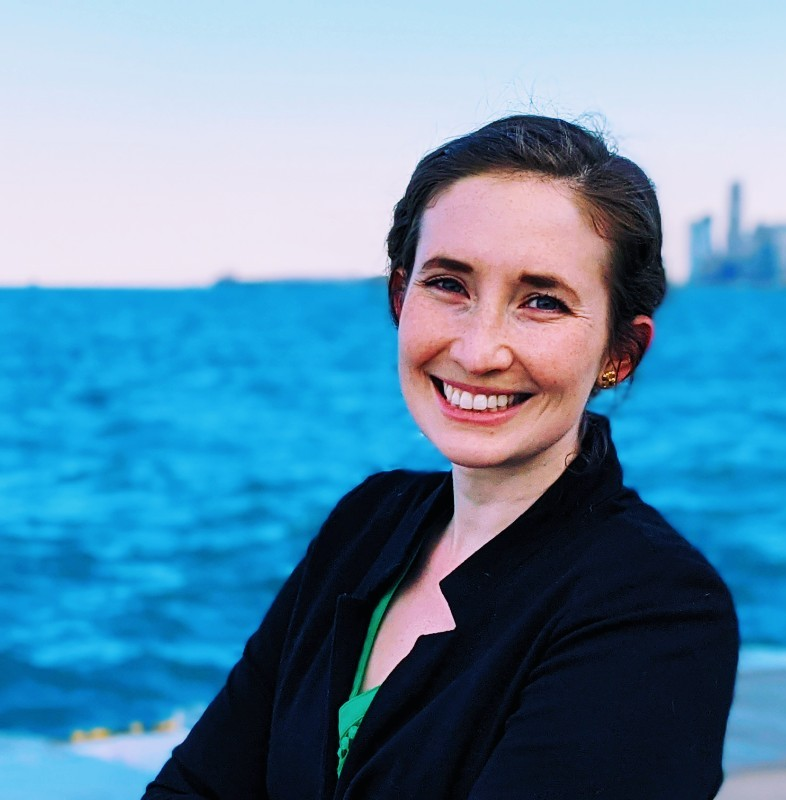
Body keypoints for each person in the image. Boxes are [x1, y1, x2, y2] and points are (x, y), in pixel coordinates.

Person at [143, 115, 739, 800]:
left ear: (620, 354)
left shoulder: (657, 611)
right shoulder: (365, 524)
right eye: (449, 285)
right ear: (401, 299)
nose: (479, 352)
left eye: (542, 301)